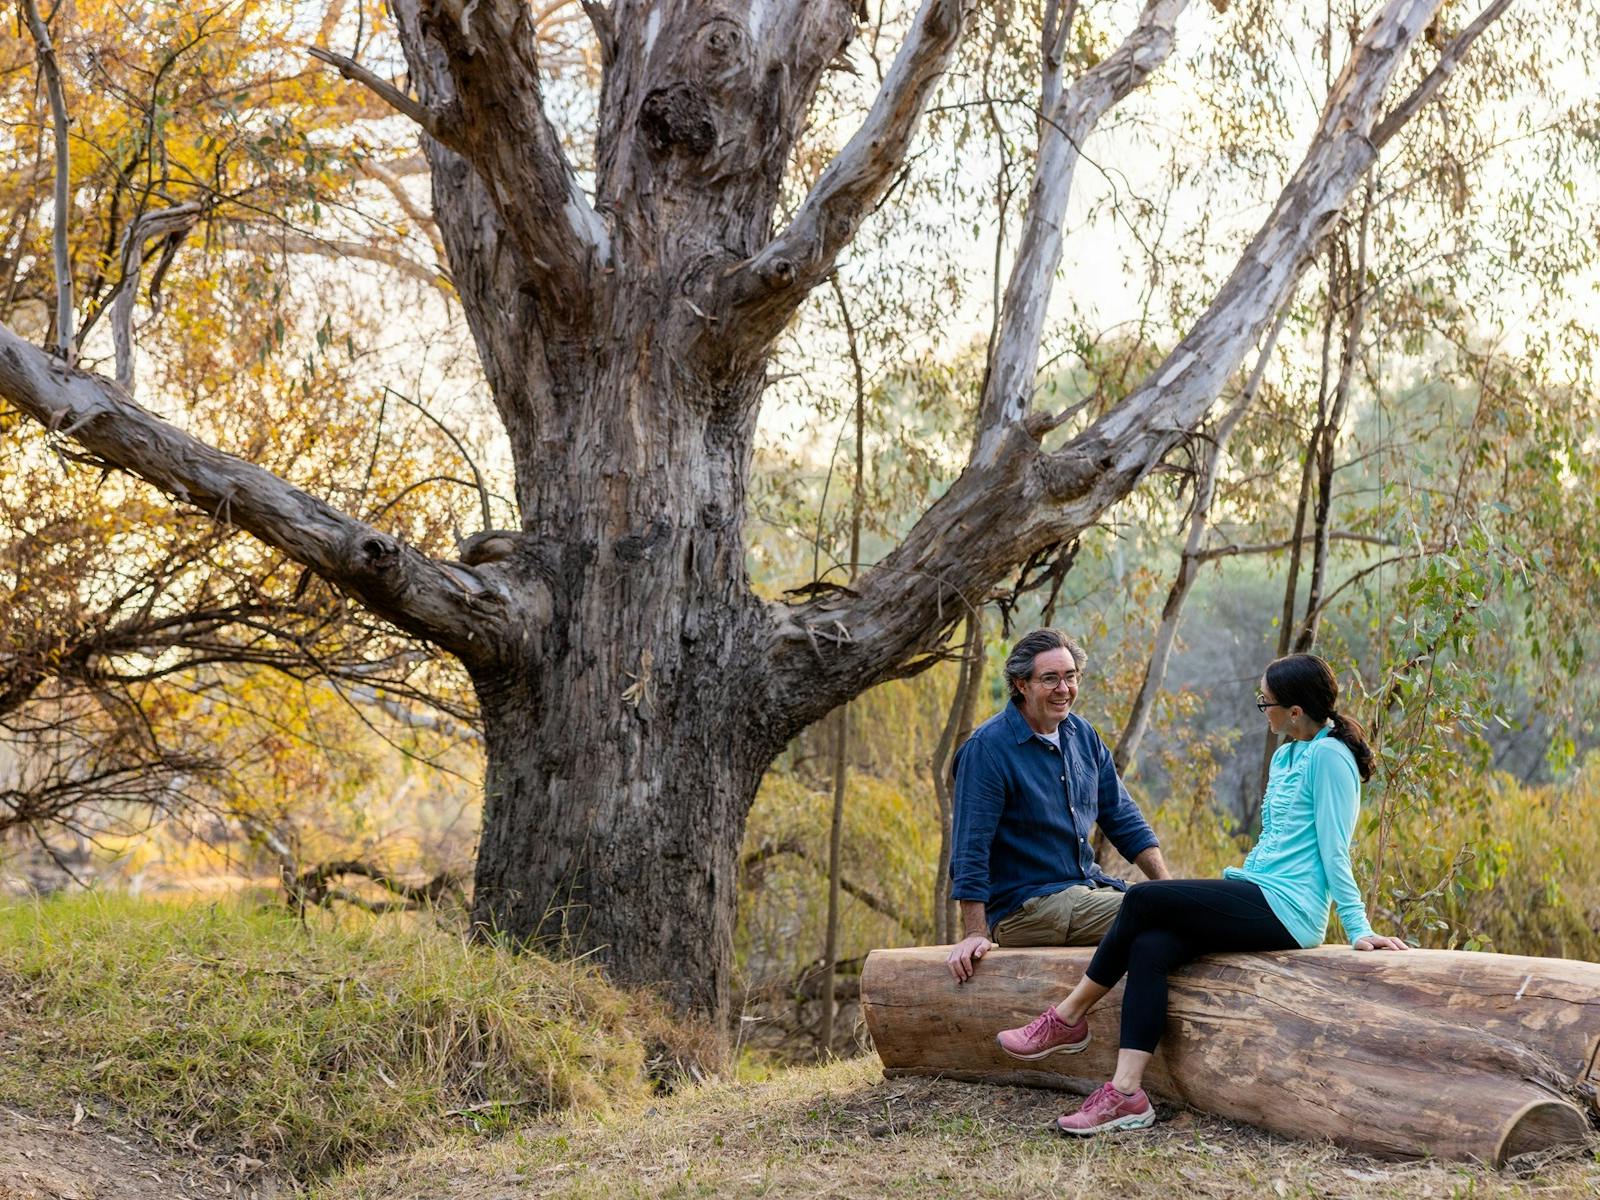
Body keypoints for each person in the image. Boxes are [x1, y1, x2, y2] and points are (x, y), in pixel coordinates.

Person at [994, 652, 1408, 1136]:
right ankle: (1126, 1095)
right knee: (1151, 946)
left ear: (1295, 711)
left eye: (1266, 703)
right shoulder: (1289, 753)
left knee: (1143, 899)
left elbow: (1336, 850)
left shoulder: (1332, 758)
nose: (1263, 710)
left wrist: (1359, 927)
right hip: (1255, 891)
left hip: (1290, 909)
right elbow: (1275, 840)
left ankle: (1067, 1016)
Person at [946, 629, 1171, 984]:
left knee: (1172, 911)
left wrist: (1167, 886)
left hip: (1085, 891)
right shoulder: (988, 750)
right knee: (1162, 914)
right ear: (1021, 684)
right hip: (1025, 908)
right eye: (1050, 678)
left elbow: (1122, 817)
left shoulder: (1082, 735)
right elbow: (970, 848)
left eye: (1070, 677)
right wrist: (975, 931)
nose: (1063, 689)